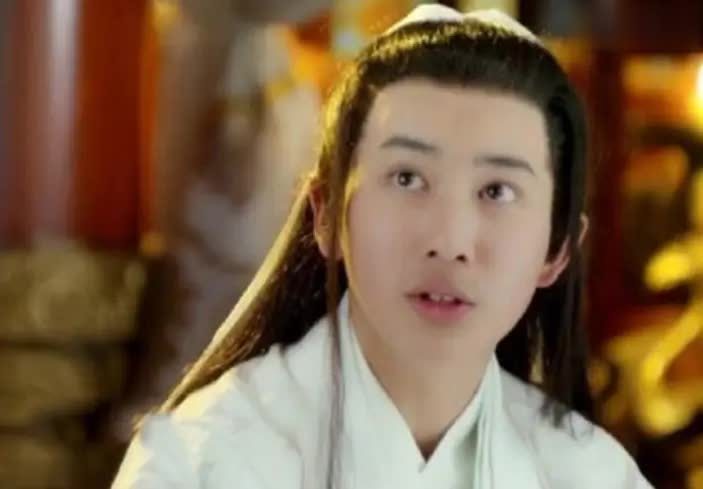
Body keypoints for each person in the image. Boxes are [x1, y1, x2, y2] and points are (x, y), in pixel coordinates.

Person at [112, 5, 654, 488]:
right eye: (407, 178)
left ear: (558, 249)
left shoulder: (591, 474)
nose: (450, 242)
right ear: (327, 215)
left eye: (497, 191)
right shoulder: (201, 462)